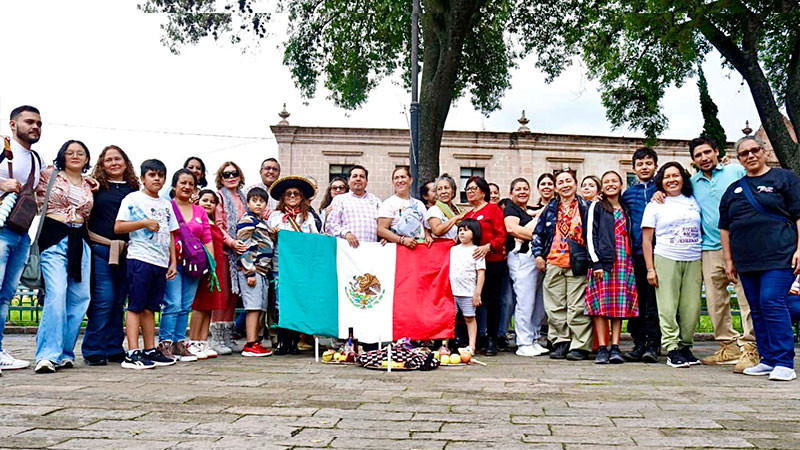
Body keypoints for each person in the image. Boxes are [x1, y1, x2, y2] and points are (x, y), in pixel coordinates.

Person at [720, 135, 800, 382]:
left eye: (754, 150)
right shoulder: (733, 190)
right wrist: (728, 259)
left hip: (780, 256)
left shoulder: (784, 179)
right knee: (757, 307)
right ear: (739, 159)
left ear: (764, 152)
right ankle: (767, 359)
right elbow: (724, 226)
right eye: (744, 153)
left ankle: (785, 362)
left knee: (772, 301)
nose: (750, 155)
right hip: (747, 260)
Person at [687, 137, 756, 372]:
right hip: (709, 248)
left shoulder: (735, 171)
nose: (704, 158)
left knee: (746, 298)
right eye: (698, 155)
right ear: (693, 160)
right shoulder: (692, 182)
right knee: (716, 302)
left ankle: (751, 348)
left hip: (740, 245)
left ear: (717, 152)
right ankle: (729, 346)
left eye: (707, 152)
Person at [32, 141, 95, 374]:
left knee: (80, 298)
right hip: (54, 237)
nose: (75, 156)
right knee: (56, 295)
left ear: (87, 159)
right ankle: (47, 355)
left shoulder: (90, 183)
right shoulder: (49, 174)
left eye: (81, 153)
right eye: (70, 152)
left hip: (81, 240)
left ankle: (65, 353)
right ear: (62, 156)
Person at [114, 159, 179, 370]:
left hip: (160, 262)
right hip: (139, 258)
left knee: (151, 307)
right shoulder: (133, 199)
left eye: (161, 175)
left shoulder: (167, 204)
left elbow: (170, 235)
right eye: (152, 175)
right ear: (143, 178)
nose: (157, 179)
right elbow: (118, 227)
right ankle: (133, 352)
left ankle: (150, 349)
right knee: (136, 306)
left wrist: (173, 262)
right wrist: (143, 223)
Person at [641, 162, 703, 369]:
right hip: (666, 258)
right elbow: (647, 240)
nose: (672, 180)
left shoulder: (693, 200)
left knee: (691, 308)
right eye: (667, 177)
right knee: (667, 306)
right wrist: (650, 268)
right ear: (661, 181)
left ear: (683, 178)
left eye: (676, 175)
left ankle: (686, 346)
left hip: (693, 258)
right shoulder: (655, 204)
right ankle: (672, 348)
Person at [82, 145, 139, 366]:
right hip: (101, 248)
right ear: (102, 164)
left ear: (125, 162)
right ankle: (94, 349)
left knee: (118, 301)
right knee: (103, 299)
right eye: (108, 160)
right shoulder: (95, 187)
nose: (114, 163)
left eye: (118, 159)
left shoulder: (135, 189)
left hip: (128, 251)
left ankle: (114, 347)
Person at [532, 170, 593, 361]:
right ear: (556, 187)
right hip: (553, 261)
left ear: (575, 184)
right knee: (555, 307)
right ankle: (560, 342)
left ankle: (580, 345)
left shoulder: (587, 207)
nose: (565, 185)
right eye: (561, 182)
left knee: (577, 306)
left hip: (578, 262)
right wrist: (538, 255)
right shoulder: (550, 208)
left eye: (569, 181)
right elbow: (538, 232)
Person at [0, 105, 43, 373]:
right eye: (29, 121)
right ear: (13, 124)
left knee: (5, 295)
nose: (35, 127)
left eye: (39, 123)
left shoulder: (36, 159)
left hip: (20, 232)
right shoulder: (3, 148)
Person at [158, 169, 214, 362]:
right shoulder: (167, 207)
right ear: (174, 185)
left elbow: (207, 238)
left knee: (185, 305)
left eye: (191, 183)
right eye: (183, 182)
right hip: (173, 262)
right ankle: (165, 343)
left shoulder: (199, 211)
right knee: (172, 303)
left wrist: (211, 266)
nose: (187, 187)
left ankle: (179, 343)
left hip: (195, 264)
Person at [585, 171, 638, 364]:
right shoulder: (597, 207)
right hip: (603, 260)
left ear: (621, 184)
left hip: (624, 260)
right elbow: (590, 235)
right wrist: (596, 262)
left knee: (619, 306)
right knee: (601, 307)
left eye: (614, 181)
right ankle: (602, 347)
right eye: (606, 181)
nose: (610, 184)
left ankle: (615, 346)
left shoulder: (626, 207)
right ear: (602, 186)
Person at [267, 176, 320, 354]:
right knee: (281, 303)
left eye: (295, 193)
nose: (292, 196)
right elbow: (267, 241)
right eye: (288, 193)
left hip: (301, 269)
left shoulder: (308, 217)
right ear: (283, 197)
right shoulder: (275, 217)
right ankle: (283, 342)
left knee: (297, 302)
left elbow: (315, 239)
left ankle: (294, 342)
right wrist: (273, 236)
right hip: (280, 266)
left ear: (301, 197)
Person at [620, 147, 661, 362]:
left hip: (660, 252)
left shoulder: (662, 188)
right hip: (635, 253)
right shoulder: (629, 194)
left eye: (648, 163)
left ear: (655, 165)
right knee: (637, 299)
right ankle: (638, 343)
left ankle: (654, 344)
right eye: (640, 164)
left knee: (654, 301)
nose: (644, 167)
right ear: (634, 168)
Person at [462, 176, 507, 356]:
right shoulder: (468, 215)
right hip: (471, 267)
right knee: (474, 301)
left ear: (483, 191)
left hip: (492, 262)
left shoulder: (493, 210)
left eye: (474, 188)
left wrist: (489, 247)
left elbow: (502, 235)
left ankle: (492, 339)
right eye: (468, 188)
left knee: (491, 301)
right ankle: (476, 337)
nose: (470, 191)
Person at [504, 178, 548, 357]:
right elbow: (511, 229)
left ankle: (534, 338)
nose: (522, 192)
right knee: (525, 301)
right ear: (511, 193)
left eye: (525, 188)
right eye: (518, 189)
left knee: (538, 302)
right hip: (521, 258)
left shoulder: (529, 210)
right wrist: (537, 236)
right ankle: (523, 342)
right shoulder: (511, 209)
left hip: (535, 259)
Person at [209, 162, 248, 354]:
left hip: (242, 252)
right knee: (222, 295)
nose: (231, 177)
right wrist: (232, 242)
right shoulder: (219, 197)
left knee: (234, 296)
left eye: (234, 173)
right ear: (221, 178)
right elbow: (218, 225)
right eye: (226, 174)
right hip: (225, 251)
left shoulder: (244, 198)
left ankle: (228, 336)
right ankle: (216, 338)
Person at [188, 189, 227, 359]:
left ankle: (203, 341)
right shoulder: (196, 223)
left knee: (209, 306)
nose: (208, 204)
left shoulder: (214, 225)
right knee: (199, 305)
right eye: (205, 200)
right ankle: (193, 341)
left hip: (216, 269)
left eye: (212, 201)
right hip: (202, 268)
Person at [236, 187, 275, 357]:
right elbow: (244, 247)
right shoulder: (247, 220)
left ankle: (256, 341)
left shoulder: (261, 221)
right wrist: (249, 271)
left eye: (262, 201)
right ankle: (251, 343)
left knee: (259, 307)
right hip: (252, 271)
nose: (258, 204)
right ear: (248, 202)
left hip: (262, 271)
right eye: (255, 201)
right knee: (252, 307)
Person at [449, 218, 485, 355]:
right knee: (449, 318)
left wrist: (477, 293)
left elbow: (481, 273)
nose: (462, 233)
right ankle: (445, 344)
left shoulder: (477, 251)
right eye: (460, 230)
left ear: (474, 233)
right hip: (452, 291)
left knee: (469, 318)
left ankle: (472, 345)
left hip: (468, 292)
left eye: (466, 230)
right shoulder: (453, 250)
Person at [324, 165, 381, 247]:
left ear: (366, 181)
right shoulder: (339, 200)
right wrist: (346, 233)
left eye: (362, 176)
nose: (358, 179)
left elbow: (383, 226)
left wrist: (384, 237)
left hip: (371, 250)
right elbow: (330, 225)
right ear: (348, 180)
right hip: (347, 252)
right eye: (354, 176)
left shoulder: (376, 201)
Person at [377, 167, 432, 248]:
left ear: (410, 180)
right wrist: (401, 240)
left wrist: (428, 236)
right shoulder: (388, 203)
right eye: (396, 178)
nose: (400, 181)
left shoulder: (419, 204)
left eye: (403, 177)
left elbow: (425, 225)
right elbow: (381, 230)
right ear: (393, 182)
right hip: (399, 249)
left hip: (420, 248)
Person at [426, 173, 463, 240]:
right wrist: (454, 219)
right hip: (442, 248)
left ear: (453, 191)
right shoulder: (434, 210)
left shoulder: (458, 211)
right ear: (436, 193)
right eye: (439, 189)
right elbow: (437, 231)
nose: (443, 192)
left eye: (446, 188)